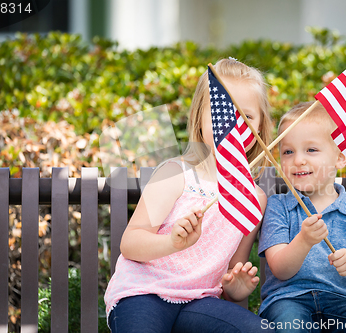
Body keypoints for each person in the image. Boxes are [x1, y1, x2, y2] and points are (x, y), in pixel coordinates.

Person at [104, 58, 274, 333]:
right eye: (221, 112)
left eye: (247, 116)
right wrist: (172, 243)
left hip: (200, 300)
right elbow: (130, 244)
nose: (233, 124)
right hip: (143, 292)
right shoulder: (176, 173)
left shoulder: (253, 198)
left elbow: (232, 269)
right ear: (199, 117)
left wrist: (235, 288)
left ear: (261, 126)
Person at [258, 101, 346, 332]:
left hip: (342, 304)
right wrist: (304, 240)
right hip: (288, 302)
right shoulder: (278, 206)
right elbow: (280, 269)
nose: (298, 160)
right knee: (290, 326)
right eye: (288, 151)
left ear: (340, 158)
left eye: (311, 150)